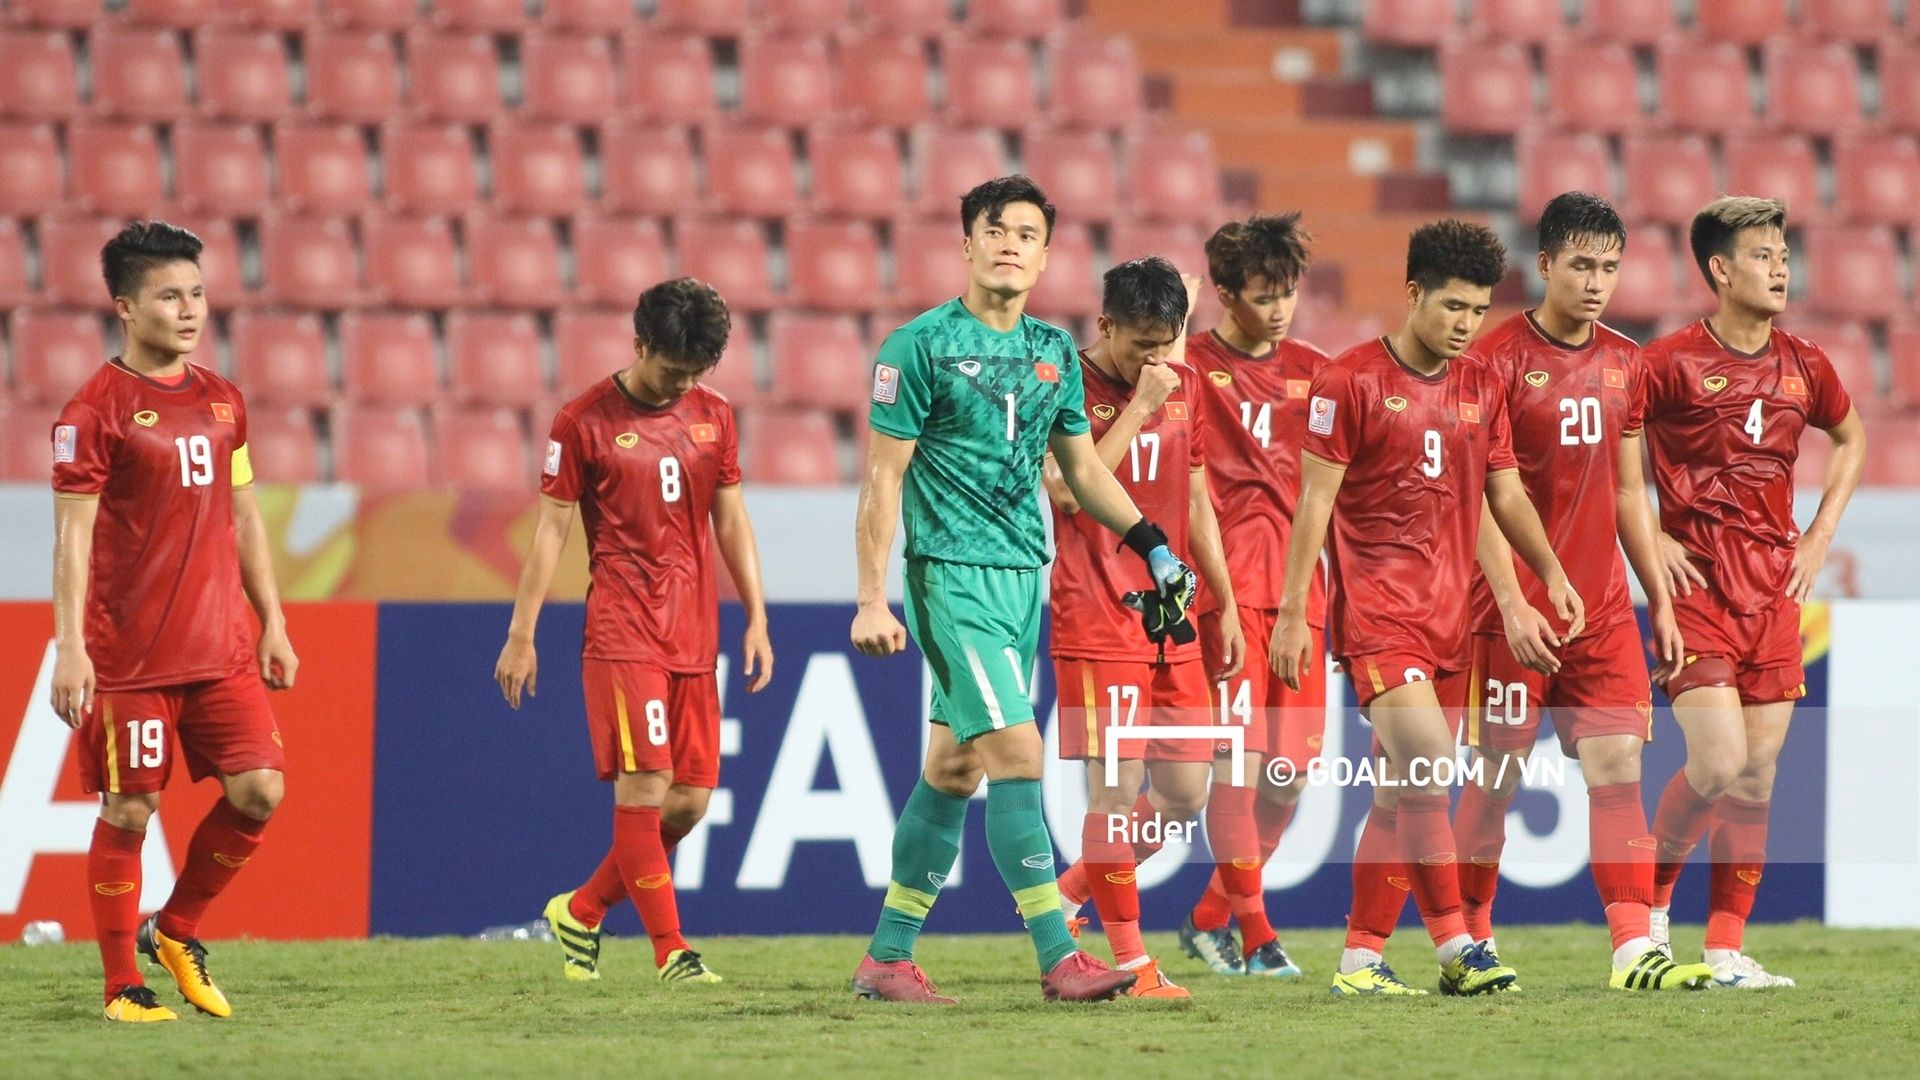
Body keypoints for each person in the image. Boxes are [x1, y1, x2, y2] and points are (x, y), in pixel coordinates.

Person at [847, 176, 1193, 1004]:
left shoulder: (1052, 356)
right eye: (995, 229)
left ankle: (887, 958)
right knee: (1019, 756)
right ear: (966, 244)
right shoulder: (917, 348)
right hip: (951, 578)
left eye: (1028, 233)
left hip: (1018, 585)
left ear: (1045, 254)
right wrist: (871, 596)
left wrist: (1151, 544)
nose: (1010, 243)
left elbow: (1080, 472)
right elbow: (881, 480)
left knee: (956, 768)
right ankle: (1057, 956)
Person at [1274, 219, 1583, 996]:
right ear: (1412, 294)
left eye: (1477, 311)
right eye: (1450, 307)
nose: (1464, 325)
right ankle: (1458, 947)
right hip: (1379, 612)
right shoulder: (1348, 382)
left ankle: (1359, 960)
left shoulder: (1481, 385)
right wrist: (1290, 614)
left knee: (1399, 792)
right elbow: (1313, 505)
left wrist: (1536, 581)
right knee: (1431, 766)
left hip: (1450, 617)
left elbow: (1497, 495)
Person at [1449, 191, 1712, 990]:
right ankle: (1470, 942)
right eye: (1582, 266)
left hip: (1598, 608)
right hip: (1509, 609)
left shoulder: (1625, 362)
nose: (1597, 282)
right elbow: (1478, 497)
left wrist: (1657, 599)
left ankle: (1635, 948)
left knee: (1617, 769)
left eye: (1609, 266)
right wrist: (1513, 599)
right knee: (1494, 782)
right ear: (1545, 265)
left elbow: (1631, 494)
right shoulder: (1490, 362)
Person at [50, 221, 299, 1022]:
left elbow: (246, 515)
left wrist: (273, 621)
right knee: (130, 809)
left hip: (220, 647)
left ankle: (177, 928)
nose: (189, 310)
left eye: (196, 292)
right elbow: (73, 536)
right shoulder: (94, 411)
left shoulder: (224, 399)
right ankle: (123, 984)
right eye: (169, 295)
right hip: (130, 655)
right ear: (125, 306)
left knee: (260, 790)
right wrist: (70, 648)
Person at [494, 278, 774, 985]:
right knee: (646, 785)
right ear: (640, 343)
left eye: (695, 370)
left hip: (694, 632)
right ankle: (671, 951)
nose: (681, 381)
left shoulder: (714, 415)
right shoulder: (582, 421)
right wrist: (521, 633)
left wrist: (757, 616)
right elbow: (550, 533)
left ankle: (582, 910)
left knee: (689, 801)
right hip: (623, 628)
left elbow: (731, 520)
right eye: (671, 366)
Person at [1639, 196, 1865, 988]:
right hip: (1698, 587)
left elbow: (1852, 435)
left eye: (1783, 254)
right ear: (1719, 270)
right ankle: (1650, 916)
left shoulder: (1805, 363)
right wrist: (1654, 539)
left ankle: (1727, 950)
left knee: (1759, 776)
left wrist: (1819, 535)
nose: (1779, 268)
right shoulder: (1665, 362)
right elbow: (1612, 451)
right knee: (1718, 761)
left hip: (1774, 590)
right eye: (1762, 255)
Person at [1042, 258, 1244, 999]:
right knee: (1116, 790)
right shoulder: (1065, 385)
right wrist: (1138, 406)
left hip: (1175, 623)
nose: (1156, 362)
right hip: (1098, 614)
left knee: (1188, 792)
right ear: (1106, 327)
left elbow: (1194, 497)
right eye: (1141, 347)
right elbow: (1067, 491)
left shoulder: (1177, 385)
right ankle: (1130, 962)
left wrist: (1219, 600)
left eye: (1169, 345)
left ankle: (1066, 897)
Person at [1176, 212, 1331, 978]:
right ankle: (1260, 937)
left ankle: (1208, 921)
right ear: (1225, 293)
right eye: (1264, 295)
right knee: (1234, 768)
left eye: (1289, 294)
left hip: (1302, 598)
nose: (1279, 309)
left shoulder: (1317, 372)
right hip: (1227, 593)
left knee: (1288, 773)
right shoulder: (1190, 367)